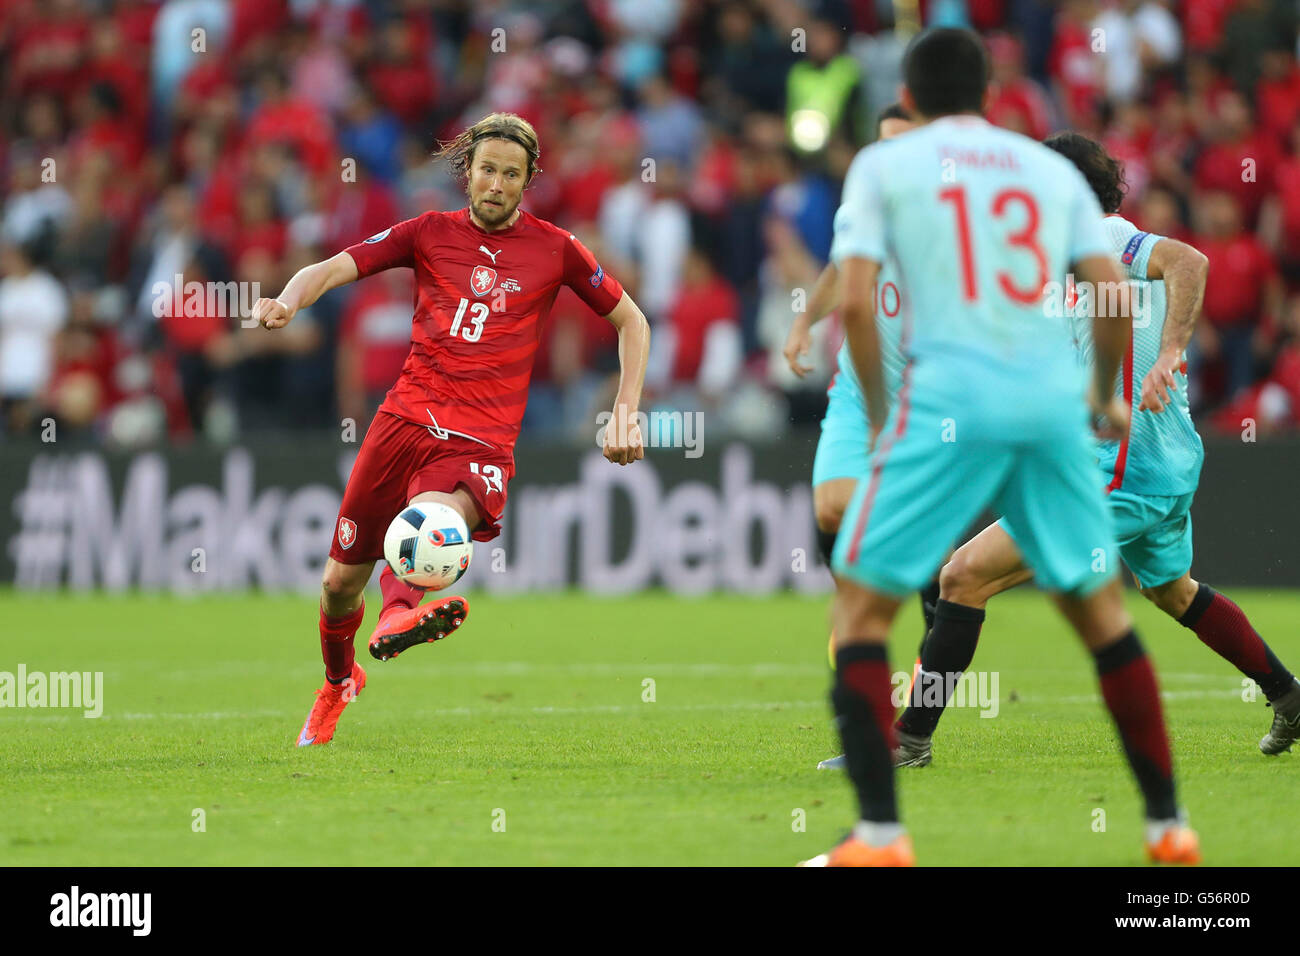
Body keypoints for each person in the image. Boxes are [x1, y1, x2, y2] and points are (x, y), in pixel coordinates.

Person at [802, 28, 1196, 867]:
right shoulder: (1048, 172)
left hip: (950, 401)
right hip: (1049, 407)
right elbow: (1110, 287)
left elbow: (863, 303)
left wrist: (877, 413)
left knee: (865, 609)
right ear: (988, 91)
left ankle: (879, 832)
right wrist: (1100, 396)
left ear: (910, 93)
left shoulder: (887, 167)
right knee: (1101, 616)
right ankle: (1167, 824)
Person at [895, 132, 1300, 760]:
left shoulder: (1106, 237)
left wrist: (1170, 353)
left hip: (1122, 470)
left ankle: (906, 742)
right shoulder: (1068, 270)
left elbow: (1190, 260)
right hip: (1159, 465)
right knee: (1172, 590)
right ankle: (1290, 695)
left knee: (963, 575)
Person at [251, 113, 651, 748]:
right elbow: (331, 267)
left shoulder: (558, 249)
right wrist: (286, 300)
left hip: (479, 439)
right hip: (403, 418)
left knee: (431, 520)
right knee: (334, 588)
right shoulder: (428, 232)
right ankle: (339, 680)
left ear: (528, 181)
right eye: (487, 170)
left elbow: (633, 322)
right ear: (468, 172)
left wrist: (625, 409)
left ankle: (400, 614)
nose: (496, 183)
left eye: (510, 174)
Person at [781, 104, 940, 772]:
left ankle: (896, 728)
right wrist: (802, 325)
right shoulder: (866, 200)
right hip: (856, 397)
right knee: (832, 510)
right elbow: (841, 274)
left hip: (930, 406)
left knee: (918, 581)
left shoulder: (952, 217)